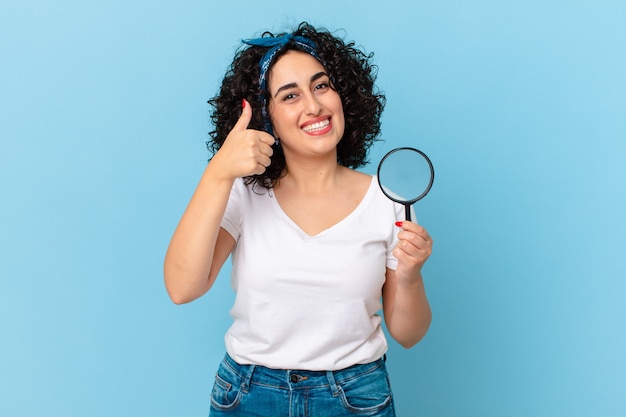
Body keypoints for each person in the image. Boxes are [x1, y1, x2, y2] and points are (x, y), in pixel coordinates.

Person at [164, 22, 433, 417]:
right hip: (248, 395)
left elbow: (408, 334)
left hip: (355, 398)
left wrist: (410, 275)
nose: (314, 106)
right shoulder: (244, 193)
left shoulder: (386, 200)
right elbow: (182, 288)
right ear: (264, 116)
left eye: (321, 85)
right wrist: (219, 171)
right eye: (290, 95)